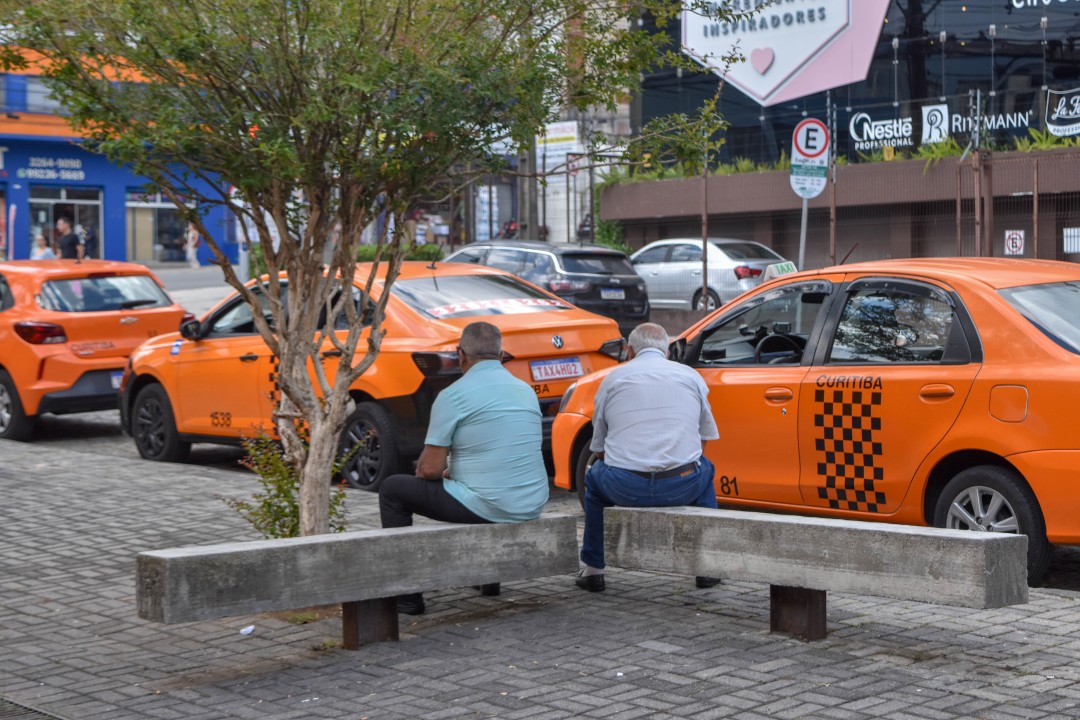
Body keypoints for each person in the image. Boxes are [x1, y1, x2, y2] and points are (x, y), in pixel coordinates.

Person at [378, 321, 549, 615]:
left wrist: (442, 471)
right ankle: (489, 581)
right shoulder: (525, 391)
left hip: (490, 504)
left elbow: (428, 470)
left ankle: (407, 595)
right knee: (478, 485)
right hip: (531, 501)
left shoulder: (453, 395)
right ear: (501, 354)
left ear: (461, 355)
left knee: (393, 489)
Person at [575, 322, 721, 593]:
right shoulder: (690, 377)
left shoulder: (611, 380)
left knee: (593, 479)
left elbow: (598, 448)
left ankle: (594, 569)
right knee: (705, 470)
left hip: (623, 487)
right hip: (681, 485)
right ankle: (707, 567)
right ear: (666, 351)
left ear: (630, 351)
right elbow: (702, 441)